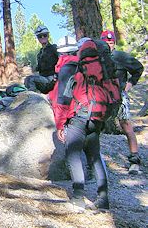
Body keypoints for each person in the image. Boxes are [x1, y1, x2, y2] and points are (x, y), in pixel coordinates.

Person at [49, 36, 110, 210]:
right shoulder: (95, 66)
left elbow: (62, 99)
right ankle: (103, 199)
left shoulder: (68, 67)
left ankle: (77, 198)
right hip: (96, 116)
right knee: (95, 157)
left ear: (62, 53)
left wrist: (60, 125)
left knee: (73, 155)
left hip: (77, 117)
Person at [101, 30, 144, 174]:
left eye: (111, 42)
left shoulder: (120, 56)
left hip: (119, 96)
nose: (108, 44)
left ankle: (134, 160)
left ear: (114, 43)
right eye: (106, 42)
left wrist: (129, 85)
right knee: (94, 127)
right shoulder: (98, 58)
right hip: (102, 98)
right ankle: (94, 163)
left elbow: (138, 68)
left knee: (126, 126)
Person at [24, 25, 58, 93]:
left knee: (30, 79)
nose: (42, 37)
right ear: (38, 38)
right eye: (40, 36)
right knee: (28, 79)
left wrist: (57, 75)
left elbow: (62, 61)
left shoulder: (54, 48)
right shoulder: (39, 54)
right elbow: (39, 68)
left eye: (44, 35)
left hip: (52, 79)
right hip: (43, 78)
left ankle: (34, 98)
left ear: (48, 36)